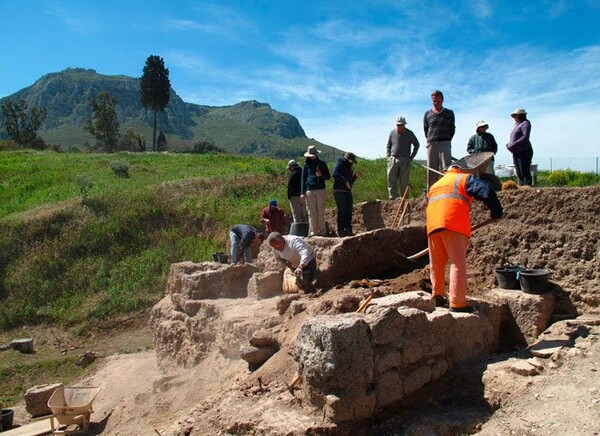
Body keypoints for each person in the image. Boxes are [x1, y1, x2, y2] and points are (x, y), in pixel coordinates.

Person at [426, 160, 503, 312]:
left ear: (445, 172)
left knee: (437, 264)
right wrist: (496, 212)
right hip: (453, 225)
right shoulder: (464, 178)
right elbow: (486, 191)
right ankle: (457, 303)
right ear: (460, 170)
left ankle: (438, 296)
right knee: (457, 263)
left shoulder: (434, 186)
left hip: (433, 227)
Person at [423, 90, 455, 188]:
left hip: (445, 142)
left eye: (438, 100)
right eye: (434, 101)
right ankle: (432, 191)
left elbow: (452, 129)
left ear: (442, 100)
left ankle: (448, 189)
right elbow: (426, 129)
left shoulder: (449, 113)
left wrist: (446, 139)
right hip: (432, 143)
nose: (436, 103)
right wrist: (431, 138)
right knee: (431, 168)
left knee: (446, 168)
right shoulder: (427, 114)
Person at [386, 116, 420, 199]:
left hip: (405, 159)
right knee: (391, 178)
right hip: (393, 158)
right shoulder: (392, 132)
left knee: (403, 181)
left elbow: (416, 144)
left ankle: (404, 198)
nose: (399, 126)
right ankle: (393, 197)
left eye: (400, 125)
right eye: (397, 125)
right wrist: (388, 156)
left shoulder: (409, 133)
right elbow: (388, 145)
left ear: (404, 125)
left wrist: (411, 157)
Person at [301, 145, 330, 237]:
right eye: (311, 155)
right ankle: (313, 231)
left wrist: (321, 175)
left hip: (320, 189)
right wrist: (302, 192)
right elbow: (303, 178)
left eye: (314, 154)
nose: (312, 156)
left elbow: (328, 177)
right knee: (311, 212)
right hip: (309, 190)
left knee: (320, 211)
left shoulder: (322, 164)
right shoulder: (306, 165)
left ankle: (322, 231)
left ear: (317, 154)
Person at [332, 151, 362, 237]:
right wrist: (345, 181)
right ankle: (341, 230)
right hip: (339, 191)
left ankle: (348, 229)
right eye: (351, 161)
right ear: (347, 159)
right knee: (342, 210)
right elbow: (334, 174)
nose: (352, 163)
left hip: (347, 191)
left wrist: (355, 176)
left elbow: (349, 184)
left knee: (348, 210)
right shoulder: (339, 164)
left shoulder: (349, 168)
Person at [506, 108, 534, 186]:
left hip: (524, 151)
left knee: (524, 172)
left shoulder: (526, 123)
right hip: (516, 151)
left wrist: (514, 144)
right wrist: (509, 145)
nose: (514, 118)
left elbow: (525, 137)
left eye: (515, 116)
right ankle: (522, 189)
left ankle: (527, 189)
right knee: (519, 173)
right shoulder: (517, 125)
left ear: (520, 115)